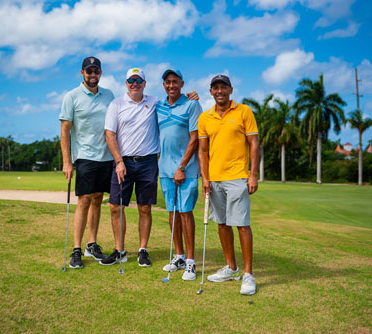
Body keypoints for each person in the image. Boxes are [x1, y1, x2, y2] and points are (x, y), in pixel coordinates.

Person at [197, 74, 259, 295]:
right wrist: (205, 177)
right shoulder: (205, 117)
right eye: (215, 88)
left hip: (238, 176)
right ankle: (231, 267)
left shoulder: (244, 111)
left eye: (223, 87)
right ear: (211, 92)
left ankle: (248, 274)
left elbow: (253, 145)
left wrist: (253, 174)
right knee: (222, 224)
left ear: (231, 90)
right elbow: (203, 151)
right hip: (214, 179)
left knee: (241, 224)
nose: (219, 91)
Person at [101, 68, 160, 267]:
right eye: (130, 81)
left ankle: (143, 250)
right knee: (115, 207)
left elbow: (174, 104)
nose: (134, 84)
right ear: (126, 83)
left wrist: (189, 97)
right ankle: (120, 250)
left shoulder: (154, 103)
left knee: (144, 208)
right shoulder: (116, 104)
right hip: (123, 162)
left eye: (138, 80)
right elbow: (110, 134)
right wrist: (118, 161)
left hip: (148, 162)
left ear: (144, 83)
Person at [59, 56, 114, 269]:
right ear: (82, 73)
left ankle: (92, 244)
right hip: (84, 156)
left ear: (100, 73)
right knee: (84, 200)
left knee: (98, 199)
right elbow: (65, 130)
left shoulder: (109, 95)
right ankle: (76, 249)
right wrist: (67, 161)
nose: (93, 75)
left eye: (96, 71)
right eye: (89, 71)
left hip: (106, 156)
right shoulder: (71, 97)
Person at [157, 69, 202, 280]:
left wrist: (182, 166)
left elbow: (195, 139)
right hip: (165, 169)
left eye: (175, 82)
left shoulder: (192, 105)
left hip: (186, 170)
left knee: (185, 213)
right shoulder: (158, 106)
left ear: (182, 83)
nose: (171, 85)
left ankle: (191, 262)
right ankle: (179, 256)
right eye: (167, 82)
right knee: (172, 212)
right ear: (163, 84)